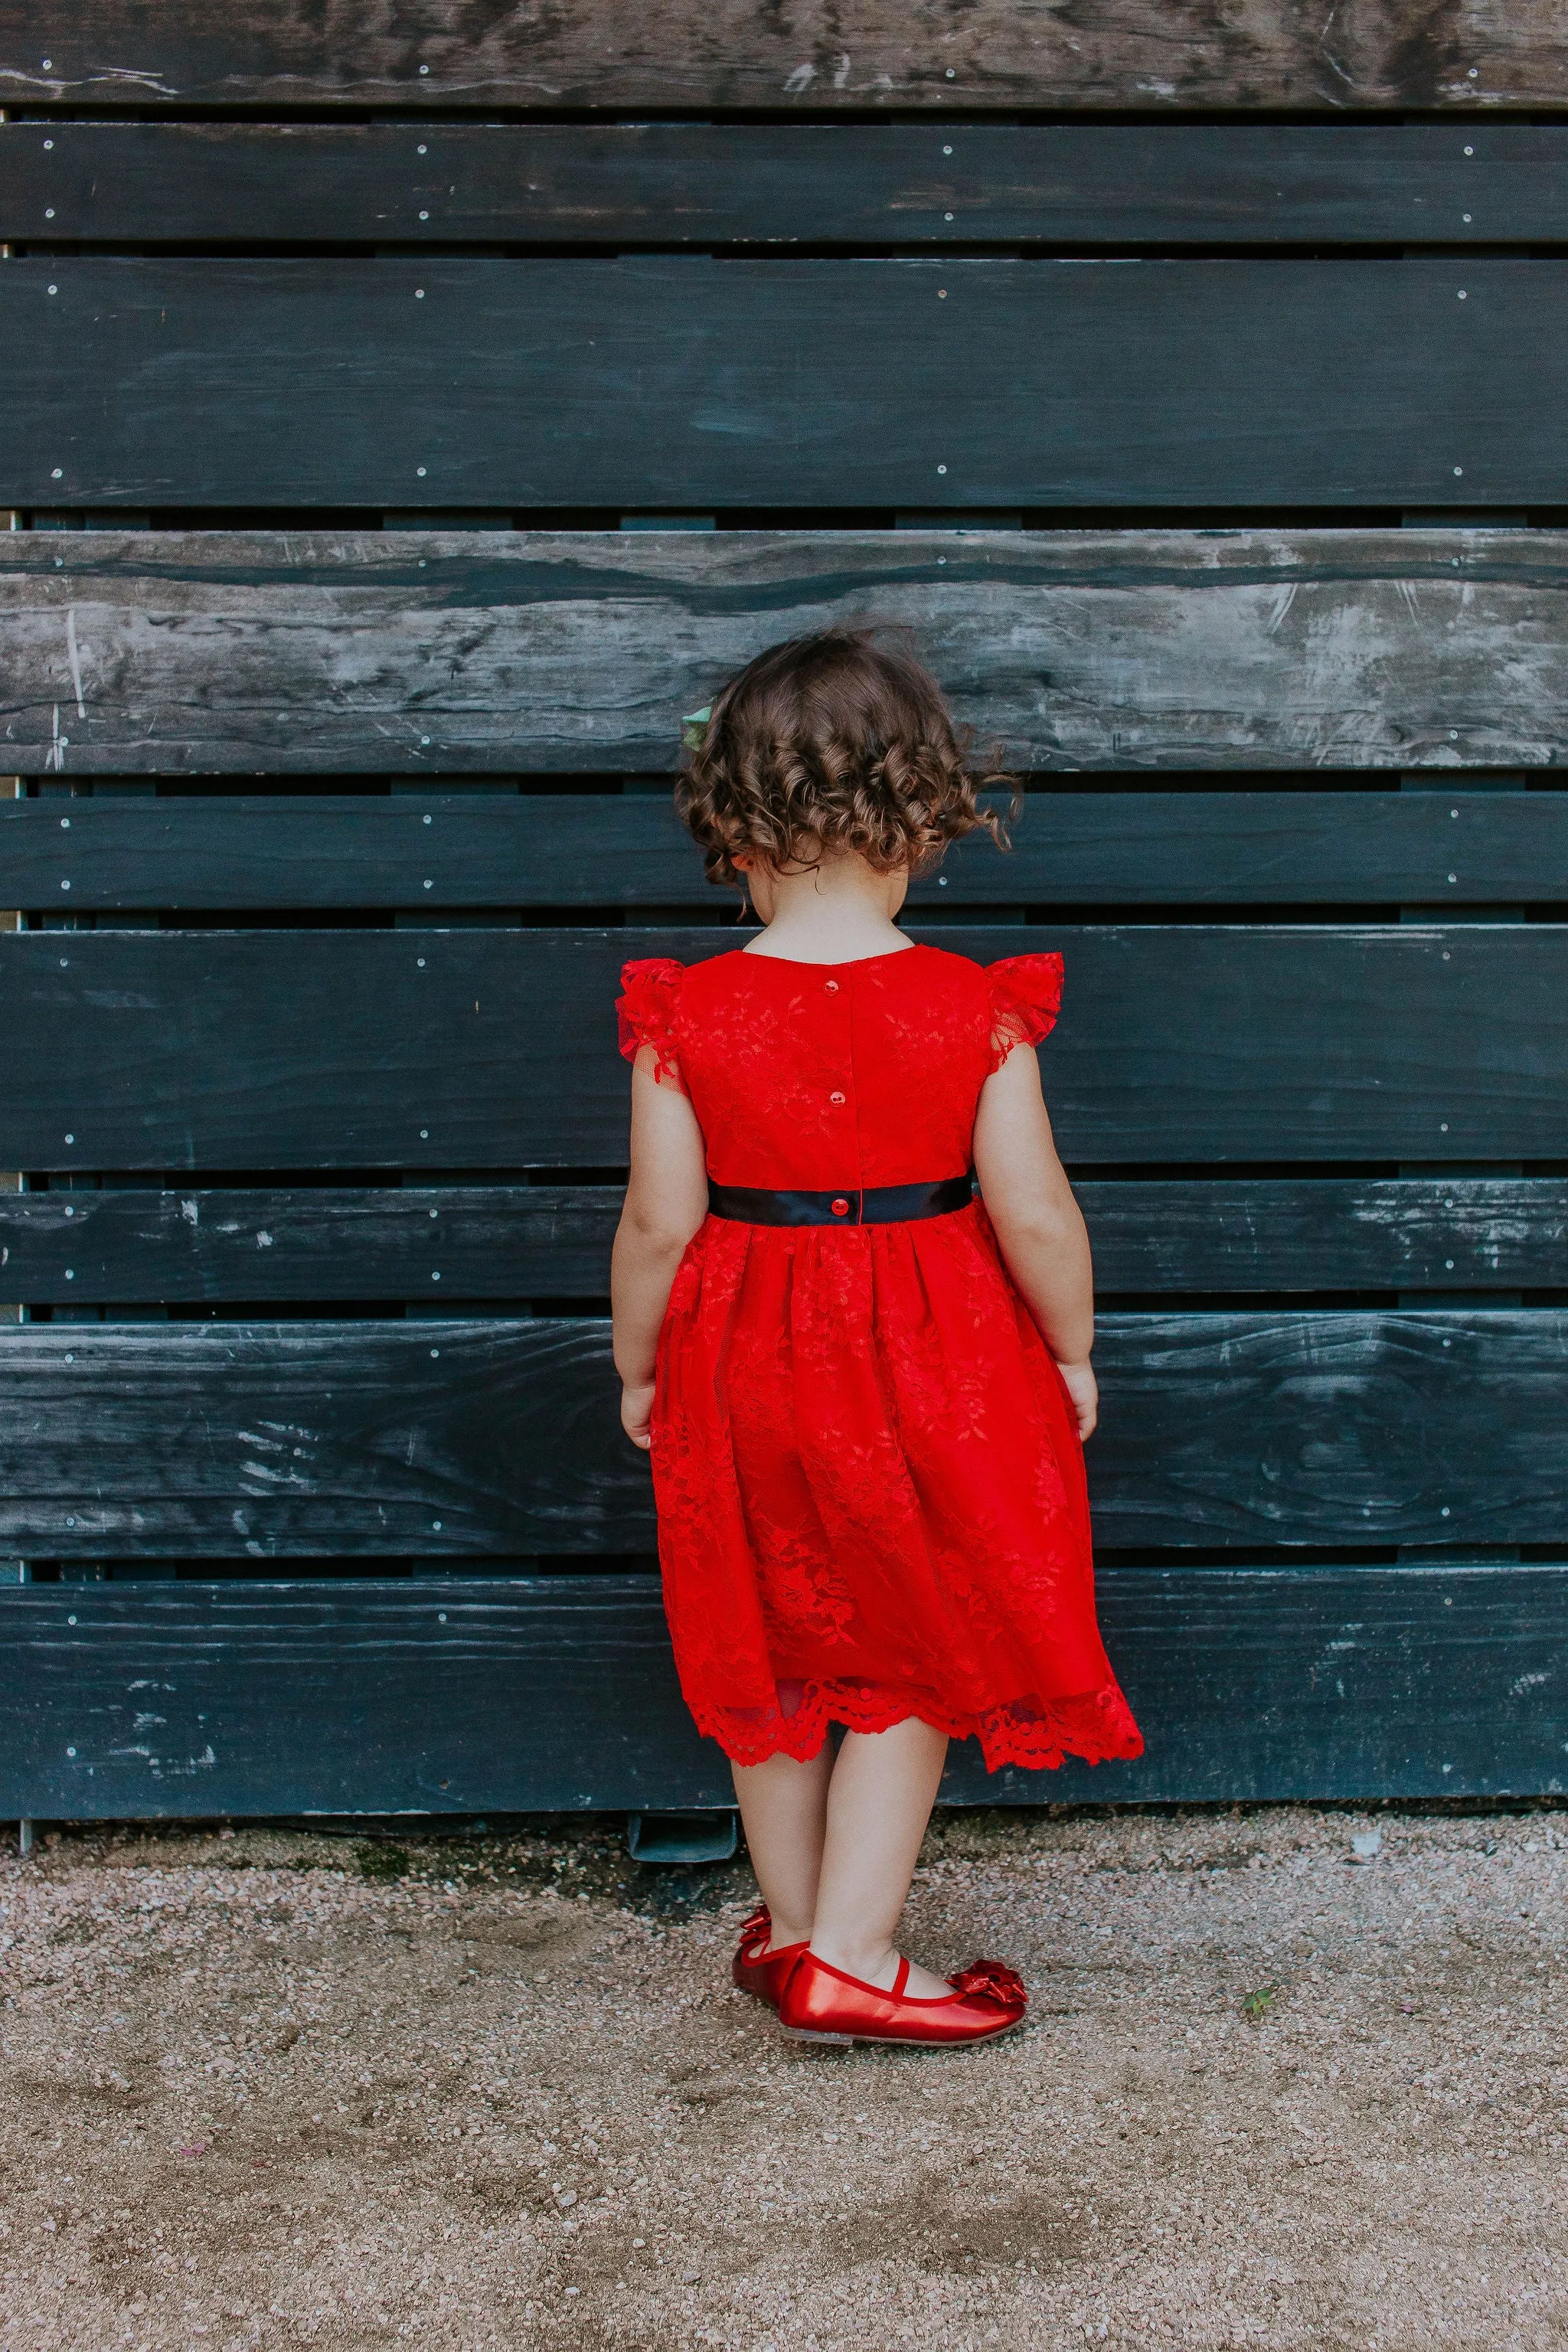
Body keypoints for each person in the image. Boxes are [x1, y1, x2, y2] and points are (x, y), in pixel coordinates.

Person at [611, 627, 1142, 2048]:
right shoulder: (972, 1009)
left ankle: (790, 1933)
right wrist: (1074, 1351)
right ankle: (852, 1951)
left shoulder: (688, 1012)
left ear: (731, 827)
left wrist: (640, 1366)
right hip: (933, 1356)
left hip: (741, 1352)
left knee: (768, 1644)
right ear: (922, 815)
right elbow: (1035, 1213)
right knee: (917, 1639)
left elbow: (659, 1225)